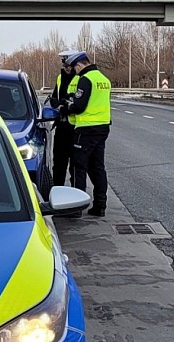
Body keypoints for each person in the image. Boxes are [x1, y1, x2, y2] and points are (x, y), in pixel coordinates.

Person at [57, 51, 111, 217]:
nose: (75, 71)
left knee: (78, 167)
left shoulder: (85, 79)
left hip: (85, 128)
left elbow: (80, 106)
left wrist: (65, 108)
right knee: (98, 168)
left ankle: (76, 208)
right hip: (102, 127)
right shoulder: (103, 79)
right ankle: (100, 205)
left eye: (75, 68)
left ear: (79, 65)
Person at [49, 50, 78, 187]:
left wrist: (65, 105)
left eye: (69, 65)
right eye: (65, 65)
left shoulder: (81, 78)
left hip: (76, 127)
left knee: (76, 165)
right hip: (61, 126)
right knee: (59, 163)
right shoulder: (60, 78)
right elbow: (56, 96)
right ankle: (57, 191)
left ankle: (76, 197)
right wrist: (54, 102)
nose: (67, 68)